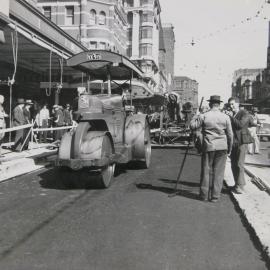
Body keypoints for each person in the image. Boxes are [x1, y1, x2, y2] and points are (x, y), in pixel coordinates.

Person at [190, 95, 233, 202]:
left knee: (206, 171)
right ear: (219, 104)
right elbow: (230, 135)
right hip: (222, 147)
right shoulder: (225, 117)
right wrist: (230, 148)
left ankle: (204, 195)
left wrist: (196, 116)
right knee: (218, 172)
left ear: (210, 104)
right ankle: (215, 197)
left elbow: (192, 126)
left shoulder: (204, 116)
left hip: (208, 146)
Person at [226, 97, 256, 194]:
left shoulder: (244, 113)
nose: (231, 106)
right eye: (230, 104)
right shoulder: (232, 114)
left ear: (238, 104)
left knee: (239, 164)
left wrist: (231, 117)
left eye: (232, 104)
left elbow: (240, 125)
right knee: (233, 164)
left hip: (242, 141)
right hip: (233, 141)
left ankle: (241, 186)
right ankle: (236, 184)